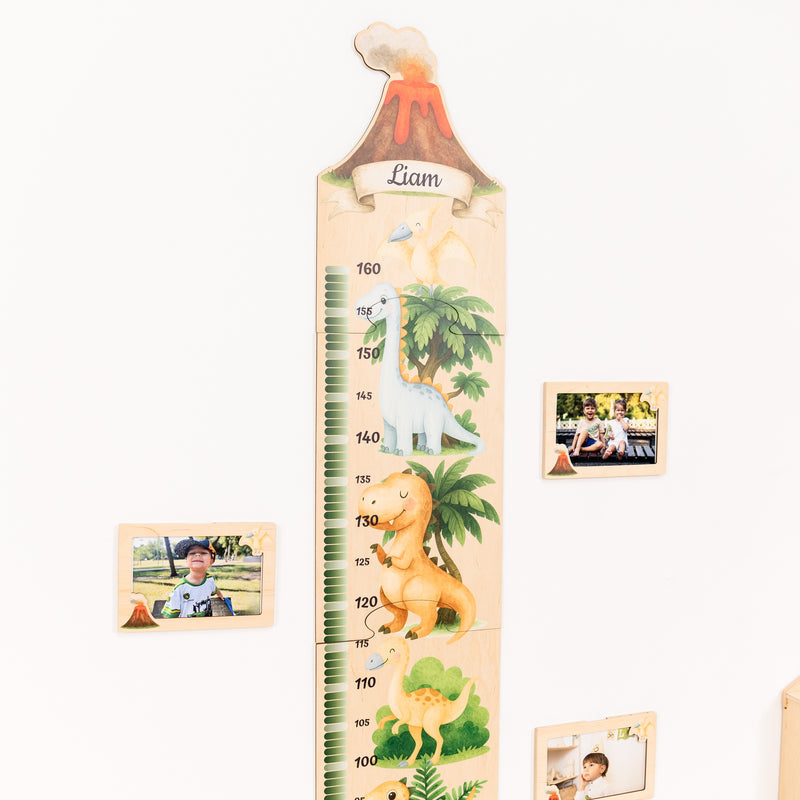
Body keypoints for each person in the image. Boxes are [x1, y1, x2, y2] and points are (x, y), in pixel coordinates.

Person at [161, 538, 225, 618]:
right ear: (186, 560)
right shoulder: (180, 588)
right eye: (192, 553)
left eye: (203, 553)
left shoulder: (209, 579)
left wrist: (219, 594)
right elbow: (170, 616)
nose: (197, 554)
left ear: (211, 561)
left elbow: (214, 588)